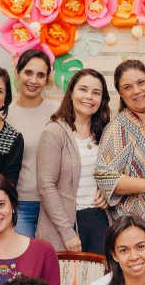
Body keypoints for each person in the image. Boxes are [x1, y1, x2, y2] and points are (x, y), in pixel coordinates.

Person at [94, 60, 145, 269]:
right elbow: (105, 177)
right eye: (127, 87)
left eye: (141, 82)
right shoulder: (118, 128)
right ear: (120, 94)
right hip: (142, 230)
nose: (137, 91)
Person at [36, 68, 112, 254]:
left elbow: (114, 173)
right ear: (71, 93)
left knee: (101, 280)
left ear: (102, 100)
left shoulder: (105, 133)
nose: (89, 97)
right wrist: (67, 232)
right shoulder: (54, 132)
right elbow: (46, 185)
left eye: (96, 93)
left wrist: (108, 193)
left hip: (99, 220)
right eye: (83, 89)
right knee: (66, 281)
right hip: (65, 223)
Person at [5, 49, 62, 237]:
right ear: (17, 73)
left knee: (55, 263)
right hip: (20, 204)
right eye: (28, 72)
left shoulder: (58, 113)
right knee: (25, 263)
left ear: (47, 80)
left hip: (55, 203)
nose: (33, 80)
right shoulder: (4, 115)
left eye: (40, 75)